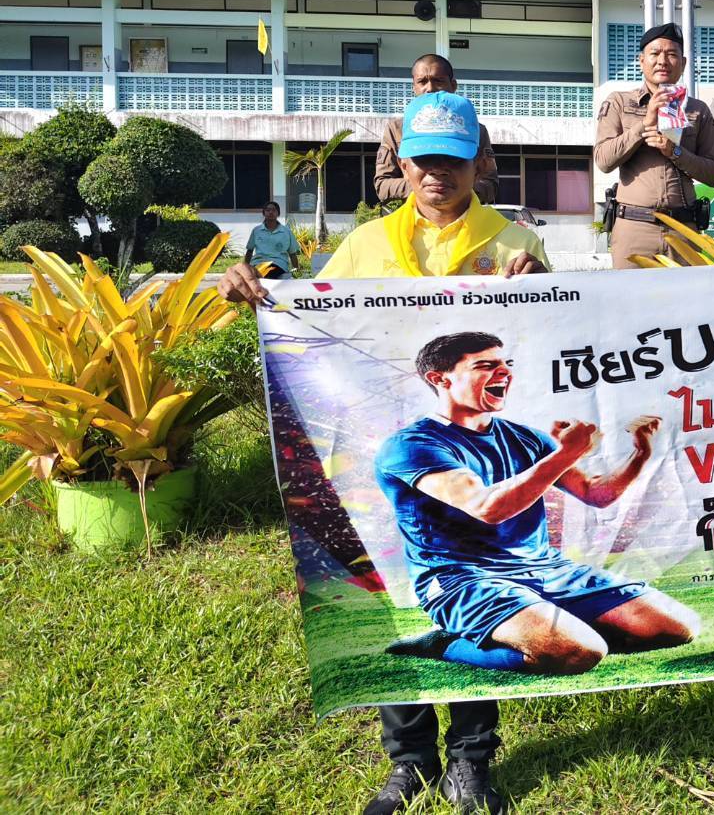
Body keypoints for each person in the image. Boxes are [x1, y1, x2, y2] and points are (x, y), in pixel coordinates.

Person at [219, 91, 551, 815]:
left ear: (480, 164)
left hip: (469, 465)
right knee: (392, 598)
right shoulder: (365, 246)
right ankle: (409, 761)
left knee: (473, 592)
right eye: (423, 160)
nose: (437, 175)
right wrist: (253, 290)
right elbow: (305, 315)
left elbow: (557, 341)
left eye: (453, 161)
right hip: (376, 458)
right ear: (402, 165)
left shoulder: (513, 246)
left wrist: (542, 290)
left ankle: (471, 759)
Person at [378, 331, 699, 679]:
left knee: (677, 628)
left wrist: (641, 454)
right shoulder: (412, 445)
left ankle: (546, 626)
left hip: (545, 568)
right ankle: (444, 643)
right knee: (577, 653)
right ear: (440, 379)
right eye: (485, 365)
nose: (504, 372)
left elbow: (596, 494)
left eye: (506, 363)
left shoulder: (526, 437)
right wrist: (566, 454)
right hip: (462, 576)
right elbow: (487, 508)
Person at [594, 23, 714, 269]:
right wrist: (645, 123)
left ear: (683, 63)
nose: (663, 61)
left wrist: (675, 151)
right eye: (655, 53)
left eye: (672, 54)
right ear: (641, 61)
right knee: (630, 294)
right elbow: (603, 160)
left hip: (683, 230)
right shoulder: (619, 103)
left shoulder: (698, 110)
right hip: (635, 228)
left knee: (687, 295)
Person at [376, 54, 498, 206]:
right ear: (414, 87)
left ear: (453, 85)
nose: (430, 88)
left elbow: (490, 182)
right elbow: (382, 184)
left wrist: (457, 189)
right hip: (412, 214)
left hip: (464, 215)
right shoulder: (396, 129)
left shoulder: (474, 130)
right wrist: (426, 188)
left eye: (438, 81)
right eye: (422, 82)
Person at [242, 201, 299, 278]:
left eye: (274, 210)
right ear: (264, 213)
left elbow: (292, 253)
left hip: (278, 264)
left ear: (278, 213)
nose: (271, 212)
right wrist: (245, 268)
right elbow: (249, 251)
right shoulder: (256, 230)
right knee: (257, 273)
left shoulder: (286, 232)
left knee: (268, 272)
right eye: (268, 210)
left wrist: (296, 269)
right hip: (258, 263)